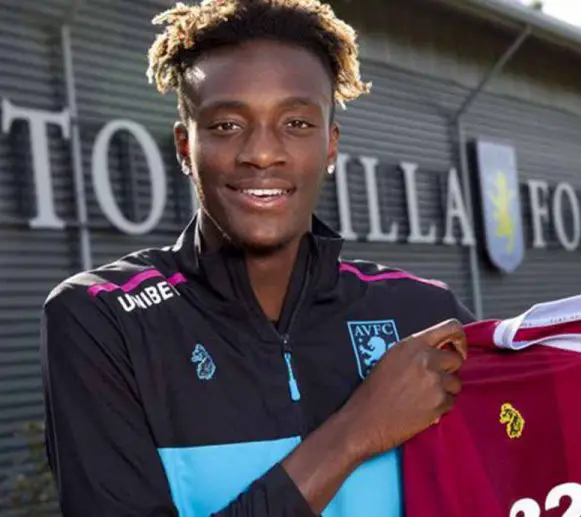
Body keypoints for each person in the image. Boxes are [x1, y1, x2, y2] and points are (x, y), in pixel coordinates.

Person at [40, 1, 475, 516]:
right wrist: (355, 432)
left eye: (297, 122)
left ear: (330, 146)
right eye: (227, 125)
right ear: (185, 147)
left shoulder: (422, 313)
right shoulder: (104, 319)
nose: (263, 153)